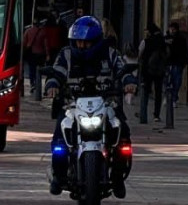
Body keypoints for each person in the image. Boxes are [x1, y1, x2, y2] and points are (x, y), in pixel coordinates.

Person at [44, 16, 137, 198]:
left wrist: (129, 82)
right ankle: (59, 176)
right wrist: (52, 84)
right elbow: (57, 72)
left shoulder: (110, 53)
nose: (81, 46)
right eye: (78, 42)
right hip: (72, 105)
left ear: (95, 41)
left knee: (123, 135)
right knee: (59, 138)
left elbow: (122, 68)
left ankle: (117, 177)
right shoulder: (66, 54)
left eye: (86, 43)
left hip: (106, 103)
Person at [138, 23, 168, 124]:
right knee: (158, 93)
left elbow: (140, 53)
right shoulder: (162, 41)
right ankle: (156, 114)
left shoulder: (146, 41)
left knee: (145, 92)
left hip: (147, 70)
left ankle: (143, 114)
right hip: (159, 70)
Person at [22, 19, 48, 99]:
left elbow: (24, 43)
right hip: (40, 54)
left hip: (31, 54)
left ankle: (32, 83)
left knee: (31, 69)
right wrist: (48, 54)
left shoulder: (28, 31)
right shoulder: (43, 32)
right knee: (39, 69)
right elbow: (46, 44)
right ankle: (38, 84)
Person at [165, 22, 188, 108]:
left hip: (178, 63)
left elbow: (184, 51)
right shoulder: (166, 38)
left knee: (176, 81)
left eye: (173, 29)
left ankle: (174, 98)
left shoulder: (181, 39)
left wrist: (184, 61)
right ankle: (169, 97)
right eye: (171, 28)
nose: (172, 30)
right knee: (168, 81)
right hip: (168, 63)